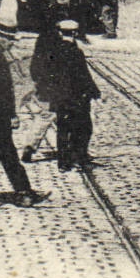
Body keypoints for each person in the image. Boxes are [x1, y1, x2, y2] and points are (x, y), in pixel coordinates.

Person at [0, 33, 48, 209]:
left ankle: (24, 191)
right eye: (10, 39)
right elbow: (0, 94)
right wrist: (10, 115)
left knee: (7, 155)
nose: (12, 43)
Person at [53, 20, 101, 170]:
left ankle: (63, 162)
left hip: (61, 97)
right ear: (74, 33)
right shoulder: (76, 52)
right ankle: (81, 158)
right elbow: (84, 75)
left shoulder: (54, 51)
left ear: (60, 33)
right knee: (84, 128)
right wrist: (95, 92)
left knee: (62, 129)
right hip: (77, 97)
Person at [21, 20, 65, 163]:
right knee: (60, 116)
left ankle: (30, 145)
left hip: (44, 87)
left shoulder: (41, 41)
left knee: (44, 117)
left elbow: (34, 66)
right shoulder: (59, 43)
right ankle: (71, 148)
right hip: (55, 89)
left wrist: (37, 81)